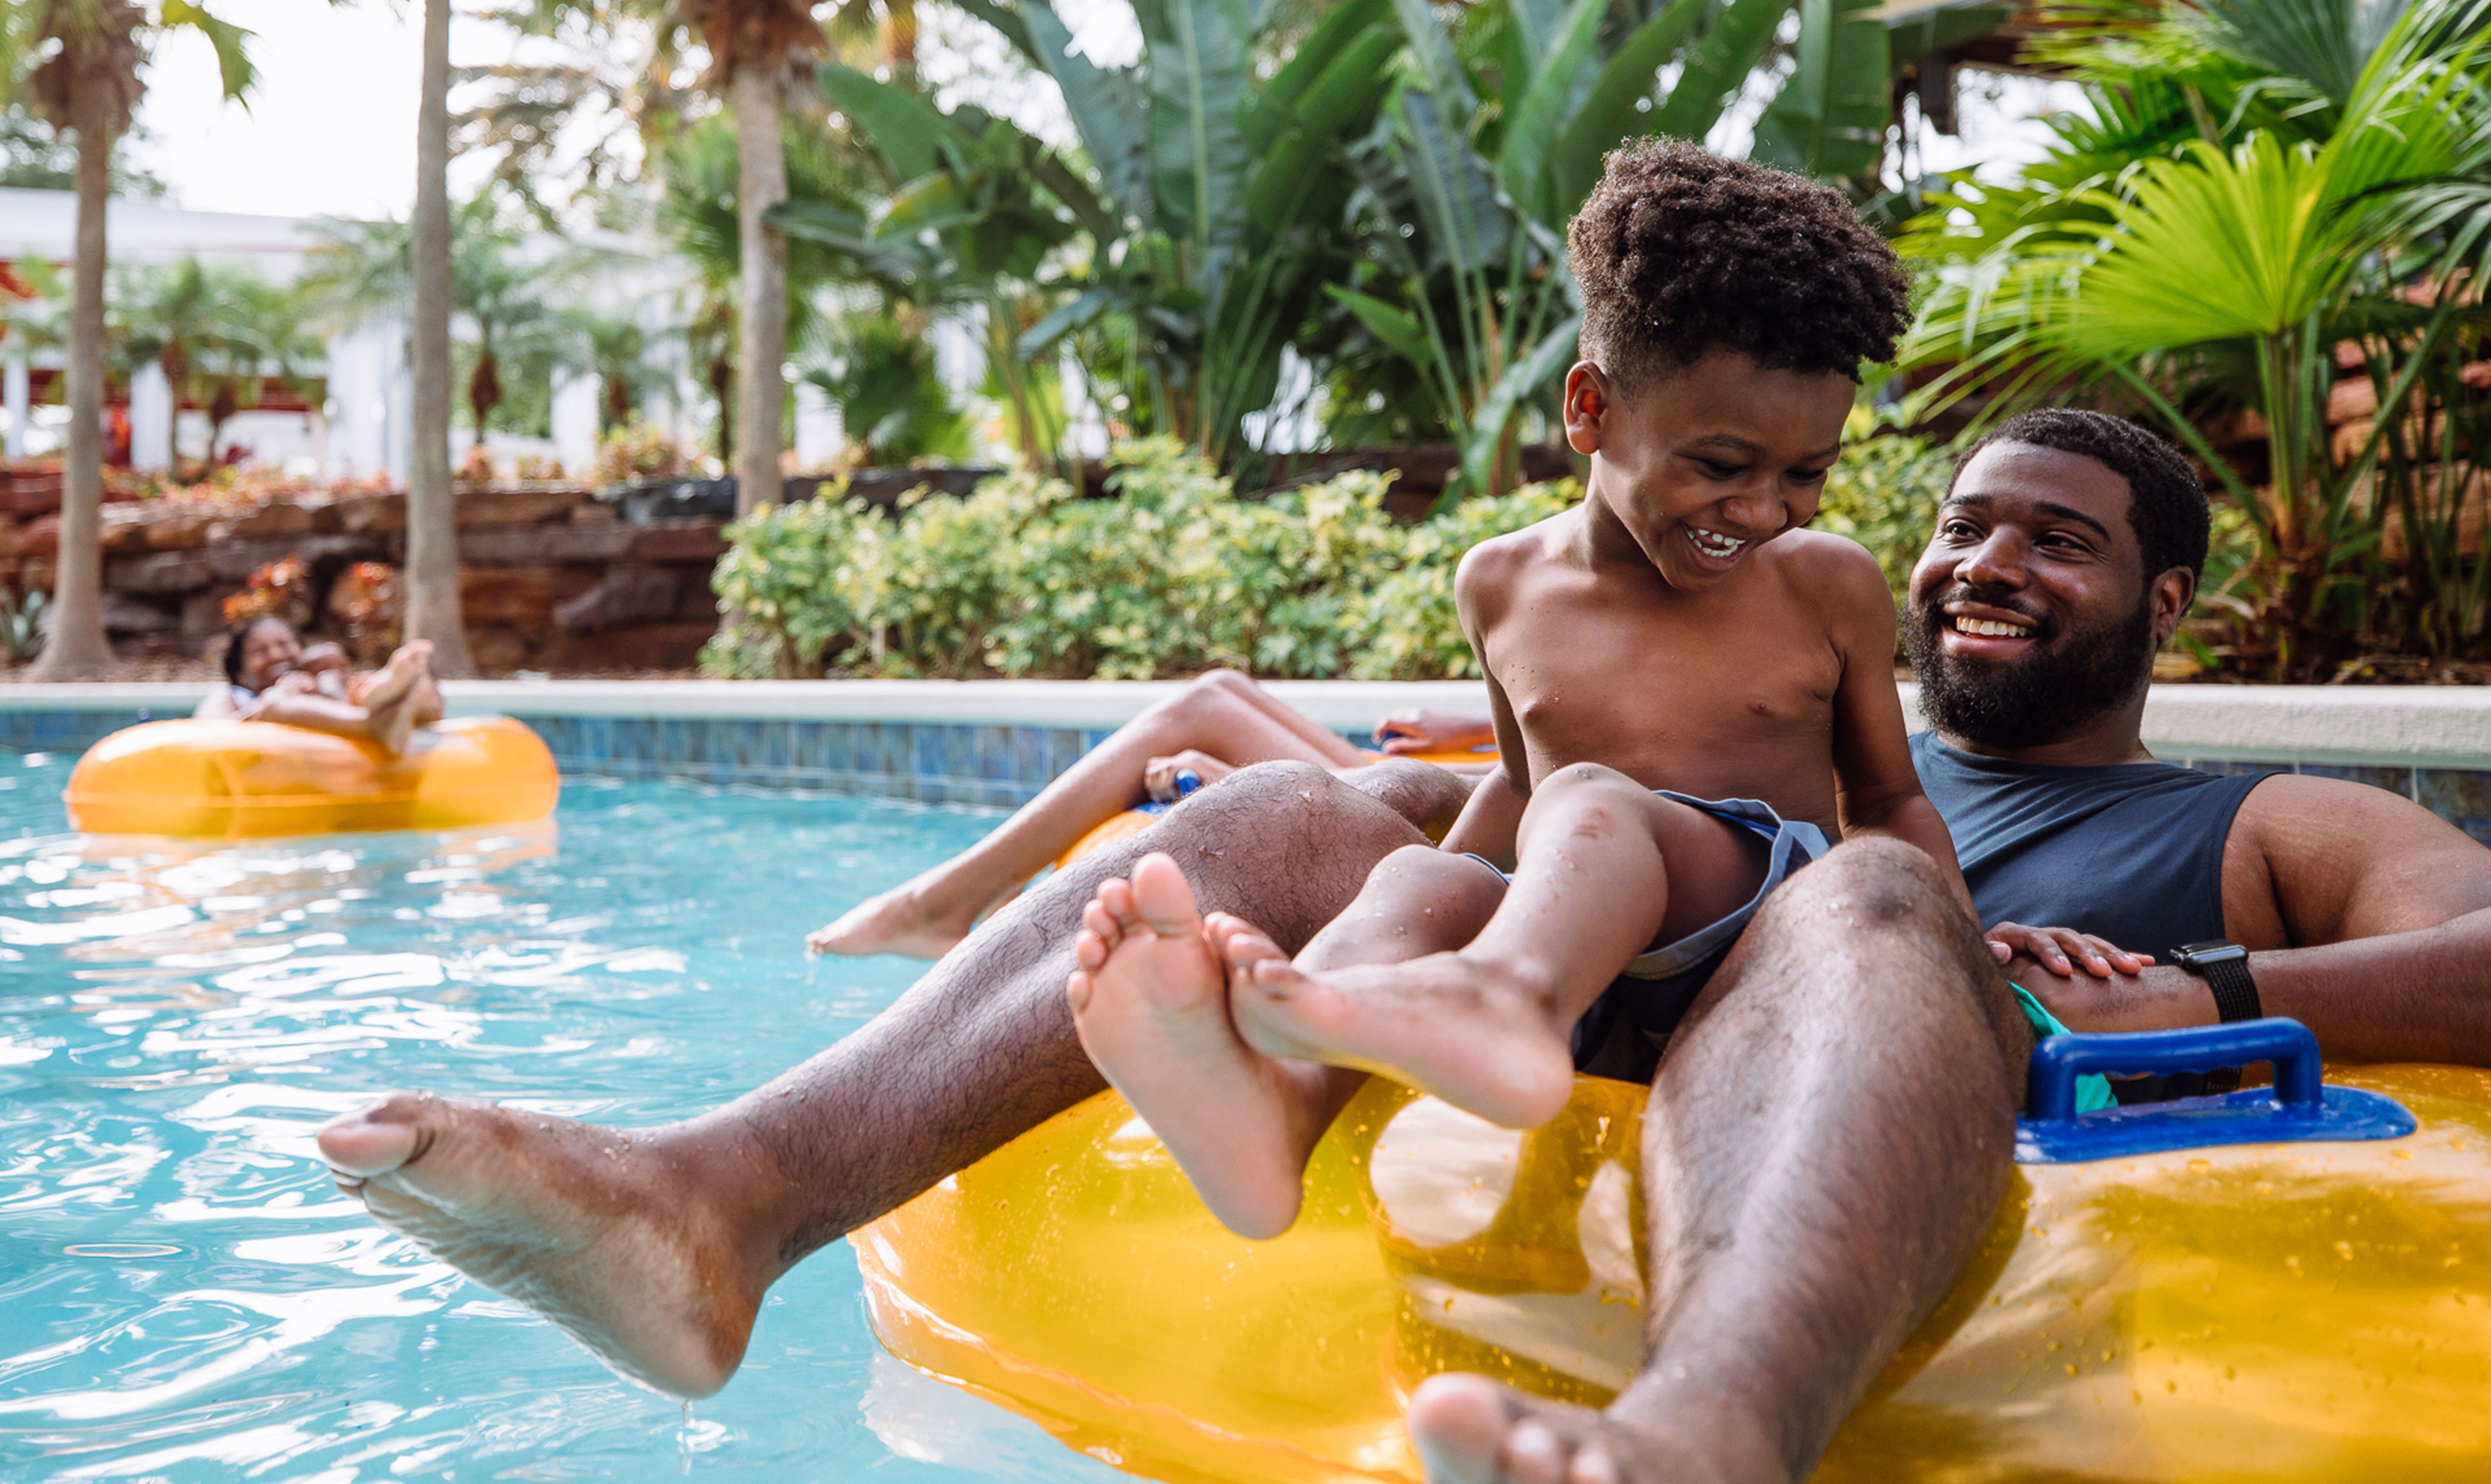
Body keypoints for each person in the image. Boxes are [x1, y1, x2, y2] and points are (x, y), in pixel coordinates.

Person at [310, 403, 2491, 1484]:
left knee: (1875, 893)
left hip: (1900, 1076)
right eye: (1962, 525)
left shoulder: (2248, 823)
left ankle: (1693, 1444)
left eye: (2060, 542)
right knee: (1280, 804)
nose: (1983, 564)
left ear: (2165, 612)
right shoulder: (1794, 722)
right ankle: (718, 1204)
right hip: (1612, 1041)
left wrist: (2197, 989)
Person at [1068, 142, 1960, 1235]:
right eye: (1722, 466)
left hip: (1775, 945)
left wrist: (1957, 944)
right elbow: (1522, 790)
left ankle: (1504, 1002)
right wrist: (1414, 905)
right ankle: (1278, 1106)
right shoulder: (1498, 585)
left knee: (1593, 803)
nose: (1767, 510)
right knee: (1415, 878)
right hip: (1594, 975)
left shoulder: (1827, 585)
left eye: (1806, 473)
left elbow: (1890, 799)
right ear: (1591, 410)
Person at [807, 668, 1497, 958]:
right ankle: (939, 904)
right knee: (1220, 686)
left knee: (1203, 709)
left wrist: (1271, 786)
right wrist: (1474, 722)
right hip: (1472, 773)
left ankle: (939, 904)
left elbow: (1570, 785)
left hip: (1468, 812)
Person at [202, 616, 442, 749]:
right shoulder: (232, 697)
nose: (276, 655)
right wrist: (277, 697)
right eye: (260, 652)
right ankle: (375, 724)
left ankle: (394, 693)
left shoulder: (318, 681)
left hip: (335, 749)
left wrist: (329, 690)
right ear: (241, 674)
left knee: (354, 686)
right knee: (274, 705)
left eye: (285, 645)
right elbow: (206, 734)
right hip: (264, 743)